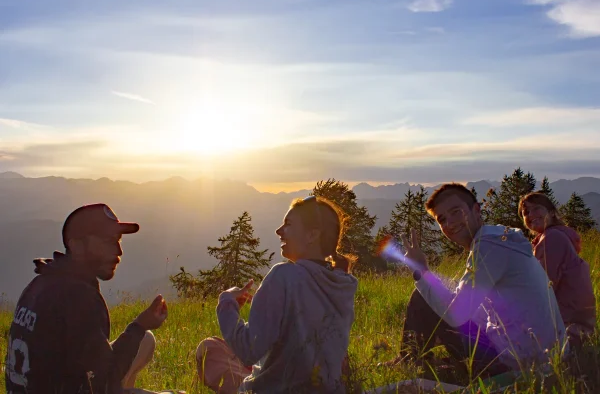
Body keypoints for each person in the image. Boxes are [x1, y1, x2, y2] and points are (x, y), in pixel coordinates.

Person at [384, 184, 566, 380]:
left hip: (521, 366)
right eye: (442, 219)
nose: (450, 223)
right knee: (438, 293)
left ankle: (410, 361)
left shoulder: (488, 247)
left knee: (423, 296)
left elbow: (458, 315)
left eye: (456, 212)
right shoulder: (497, 238)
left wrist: (421, 271)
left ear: (476, 210)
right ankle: (420, 361)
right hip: (545, 356)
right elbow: (478, 308)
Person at [196, 195, 358, 393]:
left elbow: (249, 350)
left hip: (277, 389)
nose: (278, 231)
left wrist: (227, 303)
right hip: (328, 389)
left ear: (312, 235)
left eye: (288, 224)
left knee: (209, 349)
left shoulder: (283, 276)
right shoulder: (343, 283)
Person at [5, 203, 168, 394]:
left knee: (145, 340)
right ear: (77, 245)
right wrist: (140, 325)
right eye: (108, 241)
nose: (118, 252)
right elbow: (103, 384)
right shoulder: (78, 298)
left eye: (119, 241)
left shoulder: (40, 284)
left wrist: (141, 328)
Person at [519, 192, 596, 346]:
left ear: (552, 212)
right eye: (526, 212)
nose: (531, 214)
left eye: (537, 209)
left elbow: (542, 288)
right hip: (579, 326)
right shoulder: (558, 236)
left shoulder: (552, 238)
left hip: (565, 329)